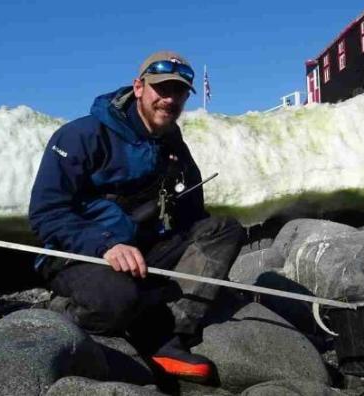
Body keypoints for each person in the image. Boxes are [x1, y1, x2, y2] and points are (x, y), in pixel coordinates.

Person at [29, 51, 244, 383]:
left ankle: (170, 336)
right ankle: (54, 313)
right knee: (116, 302)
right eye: (162, 88)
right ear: (139, 87)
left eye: (179, 92)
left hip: (143, 250)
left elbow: (192, 213)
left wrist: (207, 270)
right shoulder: (81, 135)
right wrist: (107, 245)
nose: (169, 99)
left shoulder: (172, 142)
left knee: (223, 230)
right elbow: (47, 213)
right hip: (78, 253)